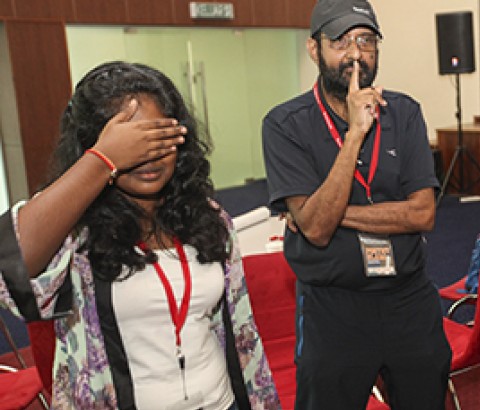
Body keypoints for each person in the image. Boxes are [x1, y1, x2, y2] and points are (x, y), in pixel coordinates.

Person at [0, 61, 279, 409]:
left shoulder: (207, 219)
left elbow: (241, 332)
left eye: (157, 139)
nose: (146, 158)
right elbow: (12, 264)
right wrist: (103, 161)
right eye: (131, 145)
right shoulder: (76, 230)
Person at [262, 0, 451, 408]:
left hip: (408, 299)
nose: (355, 54)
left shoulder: (404, 113)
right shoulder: (284, 124)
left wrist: (329, 213)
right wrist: (354, 134)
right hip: (333, 307)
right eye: (341, 42)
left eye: (366, 41)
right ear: (314, 49)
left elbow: (422, 214)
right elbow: (314, 230)